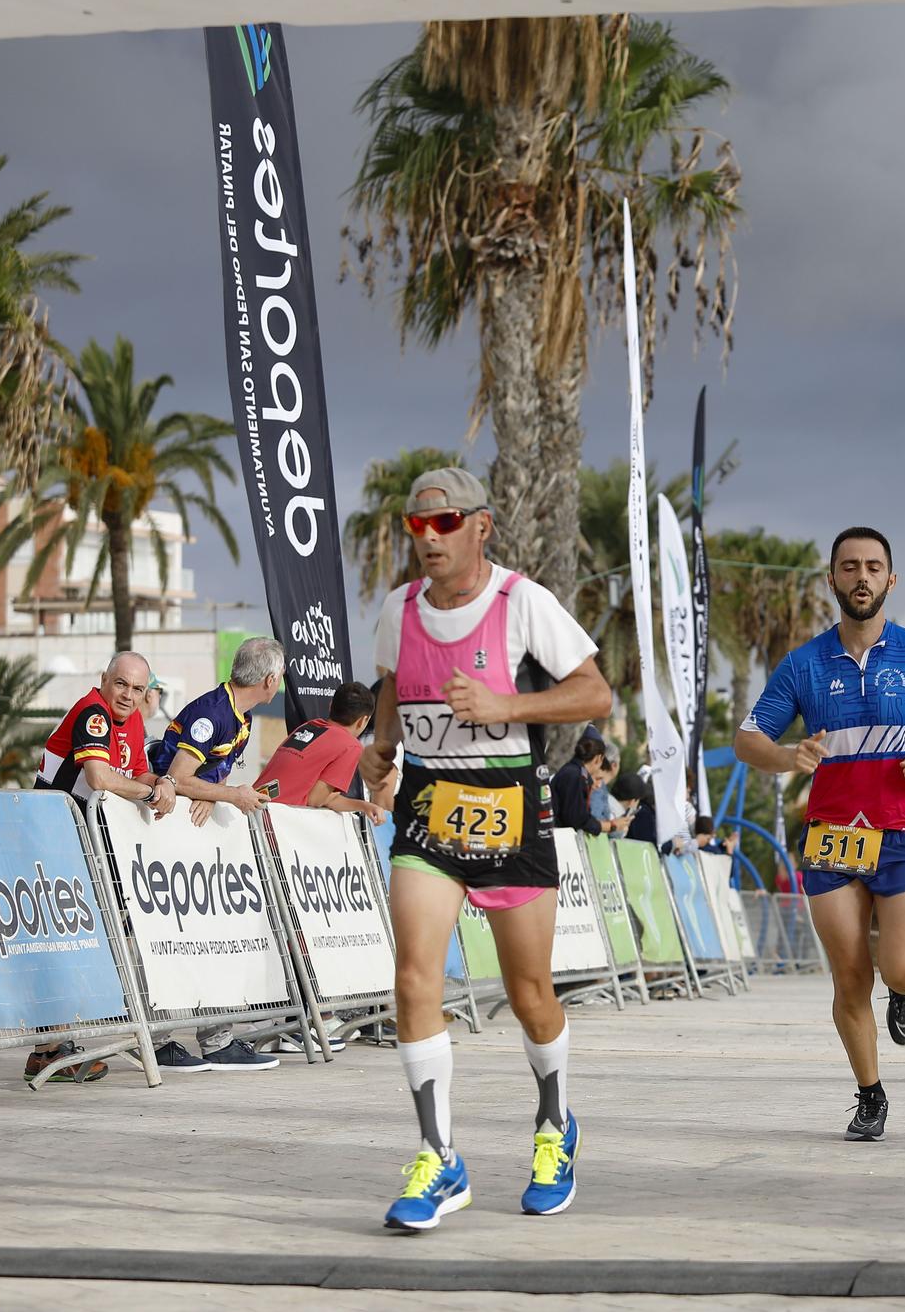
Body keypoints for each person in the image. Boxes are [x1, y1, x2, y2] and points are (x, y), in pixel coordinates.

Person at [359, 466, 611, 1229]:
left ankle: (554, 1125)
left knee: (530, 992)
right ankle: (438, 1155)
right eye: (417, 526)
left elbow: (595, 692)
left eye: (445, 523)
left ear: (481, 525)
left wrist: (506, 703)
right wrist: (379, 746)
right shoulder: (397, 608)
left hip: (511, 815)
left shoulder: (520, 602)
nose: (429, 538)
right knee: (411, 978)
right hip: (430, 813)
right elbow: (392, 689)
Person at [736, 526, 905, 1140]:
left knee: (901, 968)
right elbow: (748, 738)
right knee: (850, 976)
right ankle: (870, 1094)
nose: (862, 577)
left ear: (891, 580)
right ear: (833, 580)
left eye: (874, 567)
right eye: (849, 567)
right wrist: (787, 756)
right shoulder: (804, 664)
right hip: (832, 836)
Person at [30, 650, 177, 1084]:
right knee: (59, 944)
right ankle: (47, 1052)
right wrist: (151, 794)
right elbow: (98, 776)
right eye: (121, 684)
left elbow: (136, 773)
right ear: (104, 680)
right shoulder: (93, 713)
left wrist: (163, 782)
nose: (128, 695)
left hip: (81, 844)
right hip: (50, 840)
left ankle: (55, 1048)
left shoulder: (130, 719)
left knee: (83, 940)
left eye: (137, 689)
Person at [149, 636, 287, 1073]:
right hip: (160, 832)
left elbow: (207, 772)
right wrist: (227, 794)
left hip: (188, 831)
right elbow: (176, 777)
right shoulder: (213, 713)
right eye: (279, 678)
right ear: (269, 680)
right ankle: (157, 1039)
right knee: (164, 937)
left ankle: (218, 1037)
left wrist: (214, 793)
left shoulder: (239, 715)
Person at [253, 681, 390, 823]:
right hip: (273, 821)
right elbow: (316, 800)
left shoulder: (309, 726)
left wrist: (364, 806)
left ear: (331, 706)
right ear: (363, 720)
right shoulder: (351, 746)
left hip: (251, 812)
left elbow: (321, 797)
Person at [551, 734, 613, 834]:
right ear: (598, 758)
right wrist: (609, 826)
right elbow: (576, 818)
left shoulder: (575, 772)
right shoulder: (575, 775)